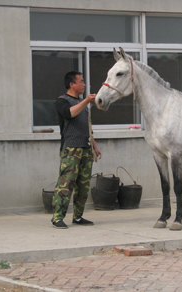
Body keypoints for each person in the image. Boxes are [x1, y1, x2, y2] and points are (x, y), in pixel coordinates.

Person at [51, 71, 102, 229]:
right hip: (71, 149)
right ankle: (58, 217)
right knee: (66, 184)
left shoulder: (82, 104)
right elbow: (70, 114)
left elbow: (87, 127)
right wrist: (87, 100)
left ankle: (78, 217)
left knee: (83, 185)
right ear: (72, 84)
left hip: (86, 148)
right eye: (81, 81)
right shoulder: (62, 101)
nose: (84, 84)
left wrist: (94, 146)